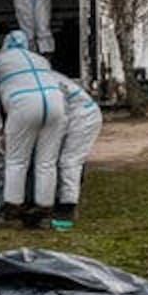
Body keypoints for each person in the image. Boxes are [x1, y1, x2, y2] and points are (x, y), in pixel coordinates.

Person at [0, 29, 66, 228]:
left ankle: (12, 213)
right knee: (46, 163)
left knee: (16, 161)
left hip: (23, 106)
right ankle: (45, 213)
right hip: (56, 105)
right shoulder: (41, 60)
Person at [48, 71, 103, 226]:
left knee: (69, 161)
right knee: (60, 160)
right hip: (73, 114)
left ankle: (67, 210)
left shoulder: (44, 81)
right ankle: (60, 200)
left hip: (82, 117)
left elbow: (58, 113)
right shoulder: (43, 75)